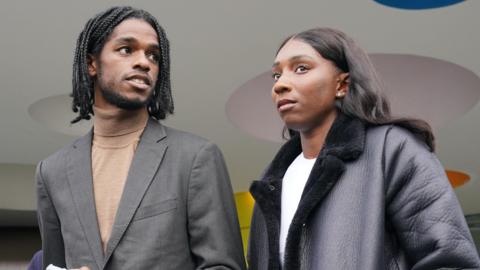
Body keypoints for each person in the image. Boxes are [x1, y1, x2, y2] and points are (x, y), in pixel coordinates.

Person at [247, 28, 480, 269]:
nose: (280, 85)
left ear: (342, 84)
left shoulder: (393, 150)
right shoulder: (271, 182)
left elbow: (450, 261)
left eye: (301, 68)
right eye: (276, 75)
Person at [36, 6, 246, 270]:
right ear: (92, 64)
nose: (144, 62)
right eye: (126, 49)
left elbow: (224, 266)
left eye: (154, 55)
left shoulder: (196, 158)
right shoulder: (51, 171)